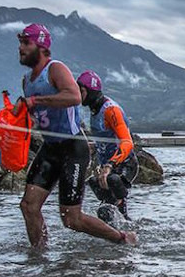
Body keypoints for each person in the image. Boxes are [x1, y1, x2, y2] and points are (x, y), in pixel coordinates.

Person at [17, 23, 137, 247]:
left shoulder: (55, 69)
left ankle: (123, 238)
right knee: (28, 206)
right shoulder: (27, 81)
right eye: (20, 43)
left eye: (26, 43)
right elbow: (38, 114)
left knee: (71, 219)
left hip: (72, 149)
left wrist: (36, 101)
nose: (20, 48)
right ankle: (39, 258)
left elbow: (73, 97)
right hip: (50, 148)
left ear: (41, 47)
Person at [77, 70, 138, 222]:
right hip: (107, 165)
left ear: (90, 91)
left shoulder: (111, 110)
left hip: (125, 164)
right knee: (93, 185)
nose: (78, 95)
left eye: (81, 91)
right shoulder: (94, 110)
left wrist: (110, 165)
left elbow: (127, 142)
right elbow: (102, 141)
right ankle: (115, 229)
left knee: (113, 182)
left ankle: (124, 224)